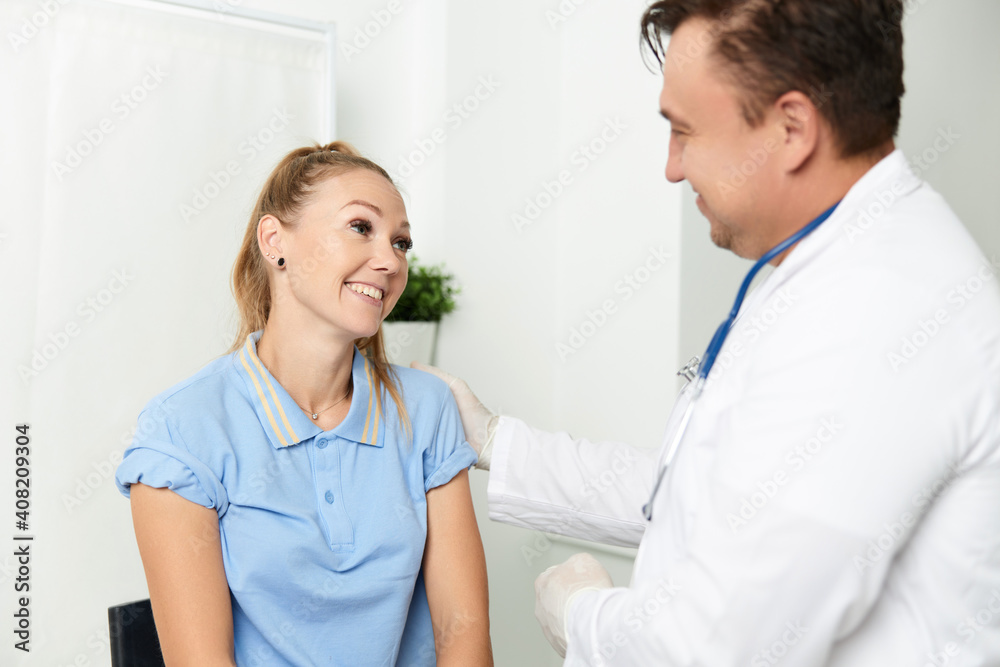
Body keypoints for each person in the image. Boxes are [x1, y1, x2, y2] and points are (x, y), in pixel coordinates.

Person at [418, 1, 1000, 665]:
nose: (672, 166)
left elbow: (717, 647)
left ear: (792, 129)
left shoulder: (881, 308)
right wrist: (497, 441)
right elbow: (704, 493)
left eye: (683, 131)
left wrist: (581, 615)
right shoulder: (822, 264)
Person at [115, 142, 493, 667]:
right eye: (361, 227)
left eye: (401, 242)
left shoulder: (426, 411)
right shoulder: (183, 431)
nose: (389, 260)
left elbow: (464, 638)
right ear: (275, 241)